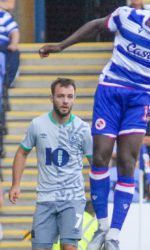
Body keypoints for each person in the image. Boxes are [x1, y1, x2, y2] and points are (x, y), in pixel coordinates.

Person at [39, 0, 150, 249]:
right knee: (101, 157)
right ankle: (101, 227)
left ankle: (113, 234)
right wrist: (61, 45)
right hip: (111, 90)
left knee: (127, 161)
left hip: (140, 98)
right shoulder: (128, 18)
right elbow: (95, 26)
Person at [8, 78, 92, 250]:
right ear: (51, 98)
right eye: (61, 96)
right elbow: (22, 152)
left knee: (69, 247)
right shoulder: (37, 125)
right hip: (45, 198)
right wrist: (16, 184)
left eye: (70, 96)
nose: (65, 101)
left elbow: (96, 162)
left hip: (72, 198)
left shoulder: (82, 128)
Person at [0, 5, 20, 87]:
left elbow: (14, 31)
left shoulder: (4, 15)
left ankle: (6, 83)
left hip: (2, 45)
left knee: (14, 53)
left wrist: (14, 44)